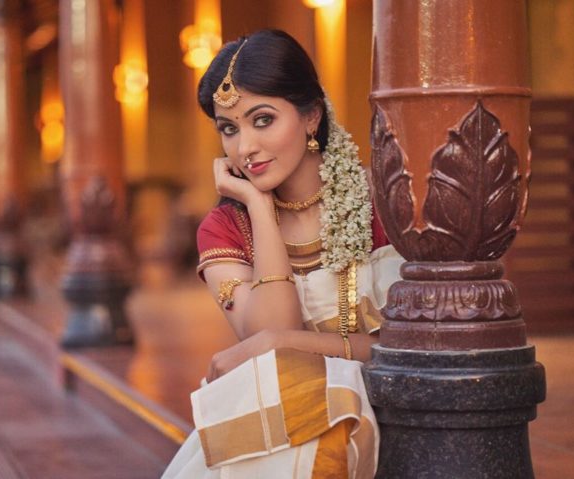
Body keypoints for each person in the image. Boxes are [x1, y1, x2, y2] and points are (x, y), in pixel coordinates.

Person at [163, 30, 404, 479]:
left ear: (311, 116)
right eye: (229, 129)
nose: (245, 148)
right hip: (280, 419)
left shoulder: (383, 204)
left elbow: (416, 346)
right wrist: (257, 207)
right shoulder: (226, 228)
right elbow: (269, 332)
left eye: (262, 120)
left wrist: (286, 344)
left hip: (391, 412)